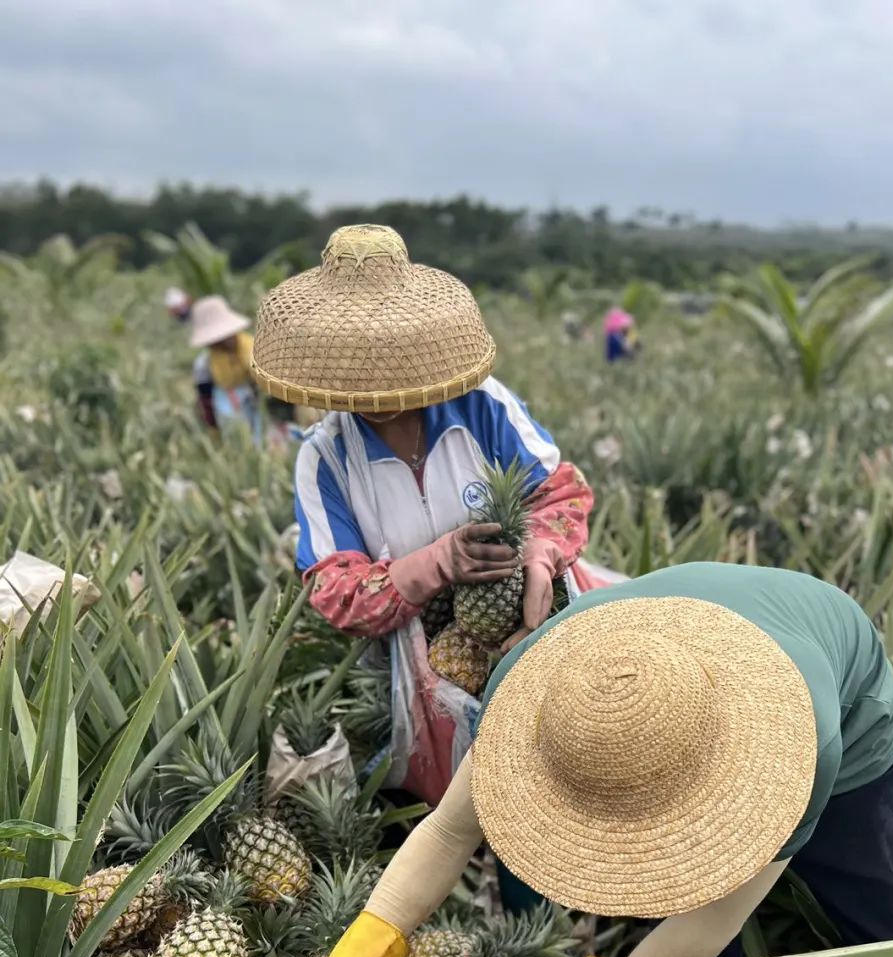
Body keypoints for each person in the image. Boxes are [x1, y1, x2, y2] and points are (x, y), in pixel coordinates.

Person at [268, 562, 893, 957]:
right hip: (669, 655)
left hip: (845, 716)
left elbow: (717, 914)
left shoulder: (803, 740)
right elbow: (448, 830)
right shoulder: (530, 686)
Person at [250, 224, 608, 813]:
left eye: (391, 360)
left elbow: (561, 493)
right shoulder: (325, 458)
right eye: (359, 369)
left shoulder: (484, 404)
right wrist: (437, 562)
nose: (379, 387)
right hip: (422, 657)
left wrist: (541, 555)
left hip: (535, 608)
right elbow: (334, 589)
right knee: (475, 801)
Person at [188, 295, 261, 440]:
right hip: (233, 417)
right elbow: (206, 401)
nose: (226, 341)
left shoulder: (254, 348)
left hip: (260, 408)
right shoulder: (204, 365)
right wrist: (214, 429)